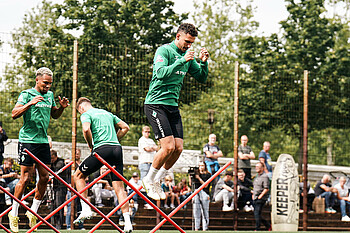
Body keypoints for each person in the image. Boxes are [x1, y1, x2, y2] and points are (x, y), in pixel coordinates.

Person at [142, 22, 209, 201]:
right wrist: (182, 60)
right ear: (178, 36)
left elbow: (202, 77)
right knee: (168, 146)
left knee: (178, 149)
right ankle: (148, 180)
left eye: (192, 43)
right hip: (155, 104)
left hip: (172, 106)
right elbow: (161, 73)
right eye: (187, 41)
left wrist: (204, 63)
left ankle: (158, 180)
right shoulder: (164, 51)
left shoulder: (187, 56)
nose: (189, 46)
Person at [9, 67, 69, 233]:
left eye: (50, 84)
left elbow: (54, 115)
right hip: (27, 141)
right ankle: (13, 214)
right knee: (26, 177)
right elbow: (14, 114)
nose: (47, 87)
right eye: (45, 83)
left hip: (43, 142)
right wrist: (30, 103)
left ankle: (32, 212)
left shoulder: (49, 96)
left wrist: (61, 108)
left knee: (45, 177)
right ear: (37, 80)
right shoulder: (26, 94)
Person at [73, 97, 133, 233]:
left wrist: (90, 145)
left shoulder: (86, 114)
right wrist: (114, 140)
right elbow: (125, 127)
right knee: (119, 188)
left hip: (101, 149)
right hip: (117, 149)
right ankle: (128, 223)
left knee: (78, 175)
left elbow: (86, 129)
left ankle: (85, 208)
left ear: (81, 108)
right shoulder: (107, 113)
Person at [189, 161, 211, 231]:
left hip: (204, 192)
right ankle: (196, 227)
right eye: (199, 166)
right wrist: (190, 176)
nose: (201, 167)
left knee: (204, 211)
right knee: (196, 210)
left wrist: (198, 178)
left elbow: (206, 185)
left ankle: (205, 228)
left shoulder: (207, 175)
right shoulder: (196, 174)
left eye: (202, 165)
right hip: (196, 192)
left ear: (205, 166)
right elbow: (190, 184)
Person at [51, 149, 69, 229]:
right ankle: (53, 224)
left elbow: (54, 172)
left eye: (52, 158)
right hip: (54, 187)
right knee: (52, 205)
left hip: (61, 187)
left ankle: (59, 225)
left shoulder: (60, 163)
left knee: (59, 205)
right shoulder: (52, 163)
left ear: (56, 157)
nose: (51, 160)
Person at [203, 134, 223, 198]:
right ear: (209, 138)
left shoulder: (216, 147)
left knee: (216, 182)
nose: (213, 139)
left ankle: (213, 196)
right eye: (212, 138)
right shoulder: (206, 146)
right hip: (208, 165)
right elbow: (208, 155)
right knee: (208, 181)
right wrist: (216, 155)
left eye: (214, 138)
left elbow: (221, 154)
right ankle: (206, 196)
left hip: (215, 166)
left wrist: (213, 155)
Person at [253, 162, 271, 231]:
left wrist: (260, 196)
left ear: (262, 168)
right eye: (256, 167)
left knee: (257, 213)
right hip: (255, 197)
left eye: (258, 167)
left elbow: (266, 188)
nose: (256, 168)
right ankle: (268, 225)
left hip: (261, 198)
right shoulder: (257, 176)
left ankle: (257, 228)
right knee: (257, 214)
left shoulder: (265, 176)